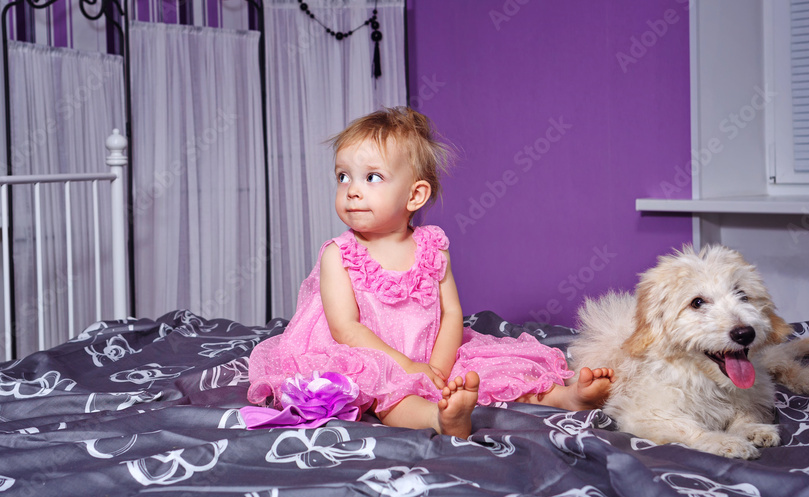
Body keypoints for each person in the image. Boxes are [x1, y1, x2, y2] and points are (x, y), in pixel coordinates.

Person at [247, 107, 613, 439]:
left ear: (415, 195)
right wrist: (407, 367)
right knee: (388, 393)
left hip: (431, 352)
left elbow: (451, 312)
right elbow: (346, 328)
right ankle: (440, 420)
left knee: (492, 368)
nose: (352, 191)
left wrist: (436, 365)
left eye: (371, 178)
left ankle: (565, 397)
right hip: (368, 353)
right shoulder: (339, 254)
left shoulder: (432, 247)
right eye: (343, 177)